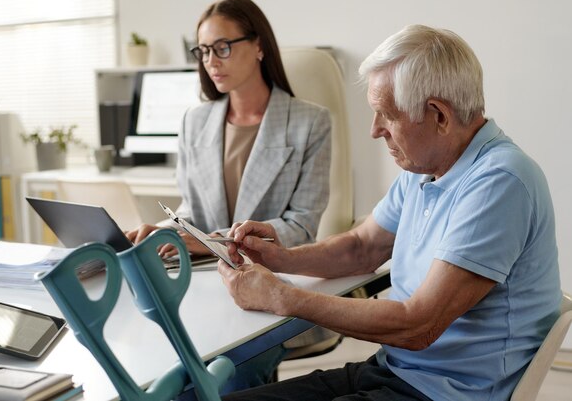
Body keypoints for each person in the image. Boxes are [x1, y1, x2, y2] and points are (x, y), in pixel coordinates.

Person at [217, 24, 561, 401]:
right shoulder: (425, 169)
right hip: (393, 370)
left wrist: (282, 297)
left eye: (386, 115)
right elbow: (362, 247)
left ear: (438, 116)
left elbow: (419, 325)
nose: (374, 130)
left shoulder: (501, 182)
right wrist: (281, 258)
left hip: (448, 392)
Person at [125, 0, 332, 391]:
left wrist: (206, 242)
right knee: (159, 373)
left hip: (272, 291)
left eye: (222, 47)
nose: (211, 61)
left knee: (222, 379)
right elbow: (190, 207)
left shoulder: (311, 122)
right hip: (199, 288)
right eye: (203, 51)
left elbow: (301, 227)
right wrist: (167, 233)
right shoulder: (195, 121)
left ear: (258, 47)